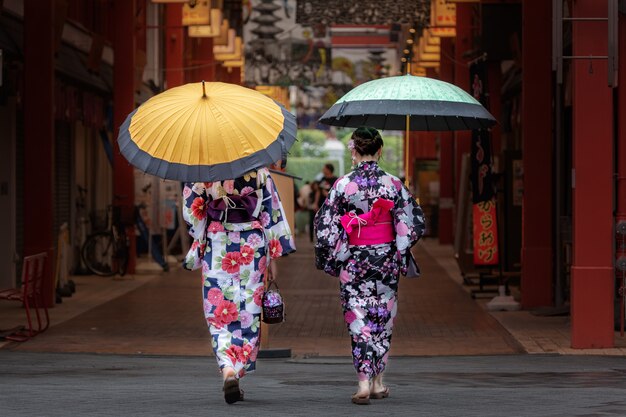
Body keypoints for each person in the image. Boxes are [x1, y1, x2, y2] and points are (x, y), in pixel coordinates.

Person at [314, 126, 425, 405]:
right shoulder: (393, 183)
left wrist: (341, 245)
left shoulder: (342, 184)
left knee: (358, 319)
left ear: (354, 150)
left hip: (354, 260)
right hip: (385, 260)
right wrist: (399, 246)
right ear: (380, 151)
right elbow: (414, 223)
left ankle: (364, 383)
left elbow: (324, 226)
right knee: (382, 318)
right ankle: (378, 381)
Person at [182, 167, 295, 404]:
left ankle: (227, 369)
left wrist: (206, 226)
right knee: (249, 310)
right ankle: (238, 368)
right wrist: (274, 256)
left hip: (217, 243)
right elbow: (271, 212)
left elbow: (193, 213)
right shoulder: (259, 171)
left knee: (218, 310)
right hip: (251, 245)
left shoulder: (203, 170)